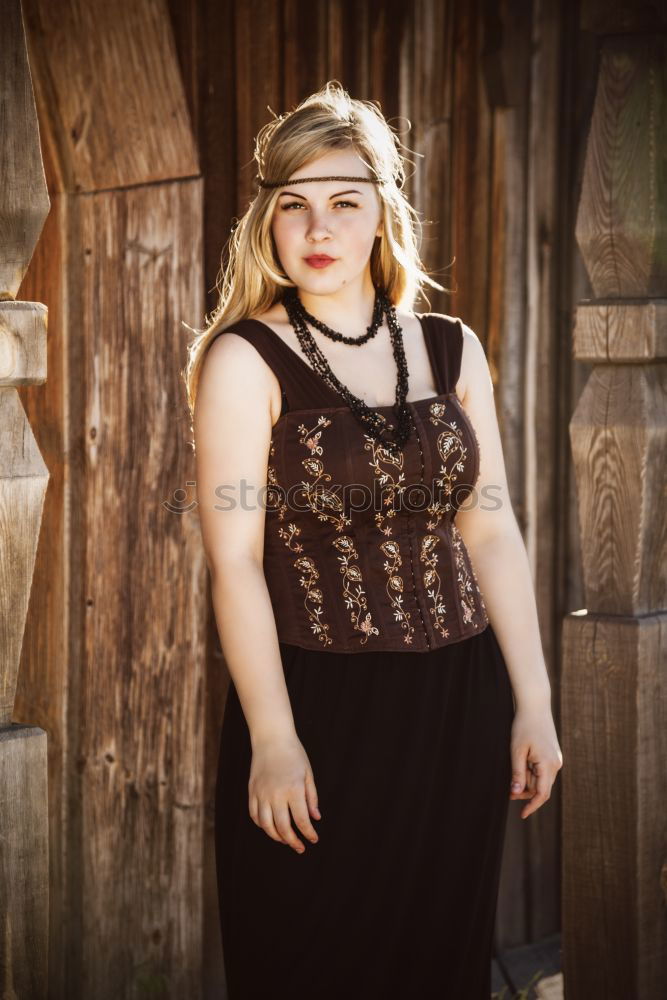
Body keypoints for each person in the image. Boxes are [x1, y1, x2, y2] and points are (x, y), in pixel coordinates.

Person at [184, 81, 563, 1000]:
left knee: (439, 963)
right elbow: (233, 560)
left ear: (382, 214)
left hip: (457, 703)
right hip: (319, 706)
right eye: (294, 206)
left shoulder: (447, 348)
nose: (319, 227)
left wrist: (533, 702)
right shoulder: (245, 359)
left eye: (344, 202)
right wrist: (273, 736)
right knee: (310, 961)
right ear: (267, 223)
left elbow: (489, 524)